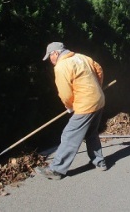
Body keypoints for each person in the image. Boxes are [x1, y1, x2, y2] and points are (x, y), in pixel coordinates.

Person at [35, 42, 107, 180]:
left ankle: (56, 170)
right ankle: (99, 162)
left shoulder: (61, 66)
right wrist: (97, 88)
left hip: (85, 105)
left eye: (50, 56)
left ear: (55, 53)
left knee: (69, 135)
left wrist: (70, 106)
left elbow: (65, 93)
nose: (50, 60)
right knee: (91, 133)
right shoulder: (81, 57)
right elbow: (99, 69)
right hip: (99, 100)